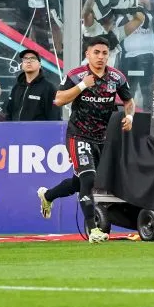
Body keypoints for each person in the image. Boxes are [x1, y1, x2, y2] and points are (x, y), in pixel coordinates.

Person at [37, 36, 134, 244]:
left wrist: (130, 117)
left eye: (105, 53)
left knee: (78, 182)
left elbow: (129, 101)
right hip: (78, 134)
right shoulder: (76, 75)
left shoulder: (116, 77)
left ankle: (48, 196)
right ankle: (93, 230)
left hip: (101, 138)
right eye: (96, 52)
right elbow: (58, 100)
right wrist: (82, 85)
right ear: (87, 54)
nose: (101, 57)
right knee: (88, 178)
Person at [6, 49, 58, 121]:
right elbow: (9, 113)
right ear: (22, 65)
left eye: (32, 58)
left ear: (39, 65)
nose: (28, 61)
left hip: (39, 128)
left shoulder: (48, 88)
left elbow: (54, 117)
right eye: (25, 59)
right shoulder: (16, 87)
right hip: (16, 128)